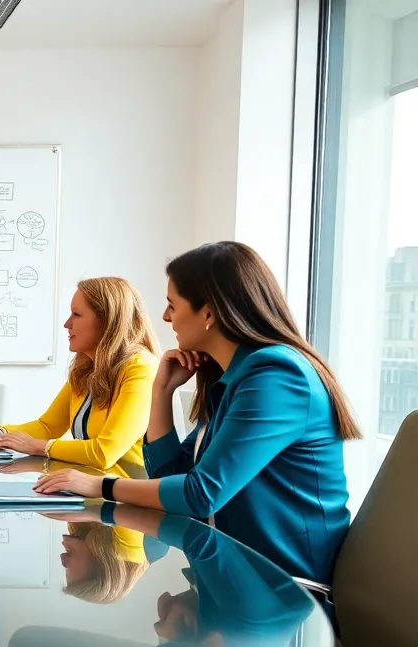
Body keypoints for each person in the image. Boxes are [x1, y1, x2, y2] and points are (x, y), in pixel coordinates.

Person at [33, 242, 360, 585]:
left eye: (172, 305)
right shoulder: (233, 376)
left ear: (208, 314)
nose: (165, 317)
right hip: (233, 574)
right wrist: (161, 393)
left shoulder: (276, 379)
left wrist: (101, 485)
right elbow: (172, 474)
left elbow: (200, 494)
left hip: (284, 588)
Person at [0, 278, 160, 470]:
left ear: (107, 320)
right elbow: (48, 427)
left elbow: (104, 453)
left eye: (76, 314)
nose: (67, 324)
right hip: (89, 481)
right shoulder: (86, 368)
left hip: (127, 486)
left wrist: (38, 447)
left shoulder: (141, 367)